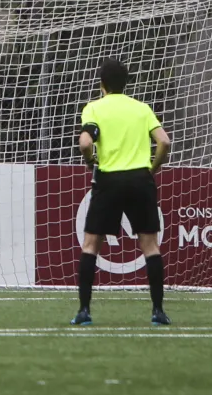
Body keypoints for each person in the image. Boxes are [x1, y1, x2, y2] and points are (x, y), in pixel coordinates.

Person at [73, 59, 172, 326]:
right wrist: (153, 168)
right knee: (150, 245)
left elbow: (85, 143)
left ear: (101, 83)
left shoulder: (94, 108)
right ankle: (158, 312)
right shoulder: (141, 108)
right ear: (126, 83)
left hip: (109, 180)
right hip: (140, 179)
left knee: (91, 244)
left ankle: (84, 311)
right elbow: (164, 141)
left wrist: (90, 160)